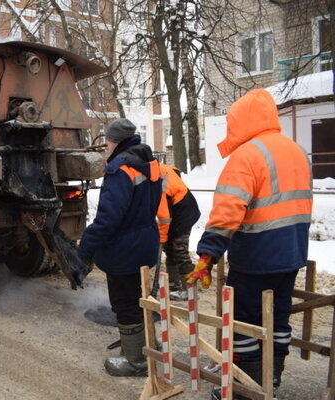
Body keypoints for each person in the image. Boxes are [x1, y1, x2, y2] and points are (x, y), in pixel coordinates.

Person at [187, 89, 312, 399]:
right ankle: (272, 378)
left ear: (240, 121)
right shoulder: (296, 150)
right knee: (278, 316)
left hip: (256, 257)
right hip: (292, 254)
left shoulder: (247, 155)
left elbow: (227, 211)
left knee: (243, 321)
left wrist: (207, 257)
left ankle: (246, 389)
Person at [78, 118, 162, 377]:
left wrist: (85, 249)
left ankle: (135, 361)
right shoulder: (149, 163)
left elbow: (108, 219)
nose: (106, 146)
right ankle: (150, 346)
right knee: (140, 298)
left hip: (124, 249)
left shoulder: (119, 168)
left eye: (107, 142)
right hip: (146, 242)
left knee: (125, 304)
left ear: (114, 141)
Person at [157, 163, 200, 300]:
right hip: (177, 209)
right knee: (170, 249)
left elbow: (164, 217)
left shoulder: (157, 183)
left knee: (179, 250)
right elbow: (175, 169)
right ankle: (174, 285)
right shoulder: (157, 168)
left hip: (184, 212)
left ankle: (189, 289)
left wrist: (161, 239)